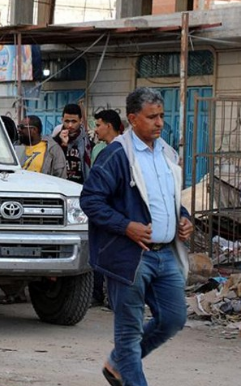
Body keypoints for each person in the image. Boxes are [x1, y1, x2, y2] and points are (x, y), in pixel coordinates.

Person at [80, 87, 194, 386]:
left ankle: (118, 363)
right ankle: (130, 374)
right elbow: (90, 200)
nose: (159, 123)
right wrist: (125, 225)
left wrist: (184, 218)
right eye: (152, 117)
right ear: (132, 119)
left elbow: (169, 198)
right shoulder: (118, 155)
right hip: (131, 256)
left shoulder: (166, 152)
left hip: (165, 253)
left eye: (162, 116)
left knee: (173, 318)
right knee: (129, 332)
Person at [0, 115, 67, 304]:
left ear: (35, 130)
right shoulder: (15, 149)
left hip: (40, 206)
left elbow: (60, 177)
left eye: (22, 127)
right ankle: (0, 287)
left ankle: (19, 291)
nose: (19, 130)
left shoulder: (51, 149)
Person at [89, 109, 124, 307]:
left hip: (116, 210)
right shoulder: (99, 149)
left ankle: (115, 297)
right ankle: (98, 293)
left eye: (99, 125)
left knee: (115, 254)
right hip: (102, 208)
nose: (96, 129)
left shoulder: (123, 149)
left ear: (109, 126)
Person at [52, 104, 93, 184]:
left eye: (74, 121)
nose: (70, 125)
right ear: (62, 120)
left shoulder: (88, 144)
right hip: (59, 186)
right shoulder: (54, 143)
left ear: (80, 121)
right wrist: (63, 145)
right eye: (67, 121)